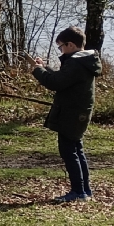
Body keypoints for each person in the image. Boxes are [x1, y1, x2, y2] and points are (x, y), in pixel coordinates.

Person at [31, 25, 102, 202]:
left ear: (70, 45)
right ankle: (84, 191)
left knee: (69, 151)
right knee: (77, 150)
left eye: (61, 46)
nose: (61, 50)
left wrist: (37, 70)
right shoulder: (84, 61)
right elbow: (62, 79)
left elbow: (55, 83)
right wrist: (44, 68)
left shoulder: (75, 63)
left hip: (71, 113)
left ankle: (78, 192)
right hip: (79, 112)